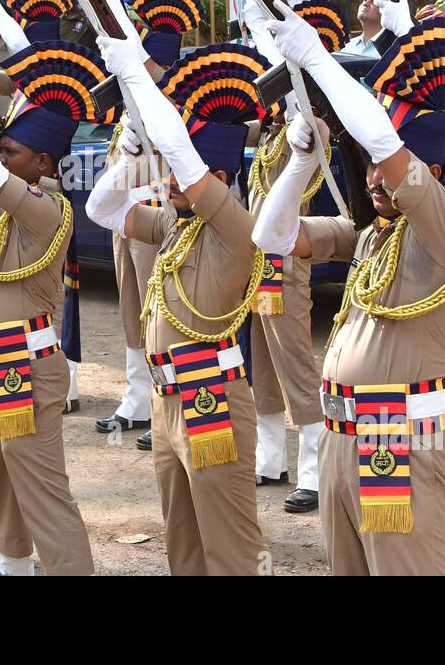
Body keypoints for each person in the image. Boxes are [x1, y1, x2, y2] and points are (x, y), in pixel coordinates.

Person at [255, 6, 445, 575]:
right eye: (369, 169)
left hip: (397, 439)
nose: (375, 179)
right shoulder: (368, 238)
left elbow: (383, 143)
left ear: (426, 170)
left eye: (388, 168)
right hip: (341, 435)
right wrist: (303, 164)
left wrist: (316, 59)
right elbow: (271, 235)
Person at [89, 34, 270, 575]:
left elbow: (186, 160)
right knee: (183, 544)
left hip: (210, 394)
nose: (166, 182)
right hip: (169, 400)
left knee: (229, 544)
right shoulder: (176, 225)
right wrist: (132, 157)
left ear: (214, 180)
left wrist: (138, 78)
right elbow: (101, 209)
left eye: (176, 173)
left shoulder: (236, 228)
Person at [0, 40, 99, 576]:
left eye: (14, 153)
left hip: (26, 370)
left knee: (43, 489)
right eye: (2, 151)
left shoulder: (45, 209)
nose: (3, 160)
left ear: (44, 162)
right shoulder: (12, 213)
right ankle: (13, 568)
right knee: (4, 476)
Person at [241, 0, 349, 514]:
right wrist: (261, 23)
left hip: (284, 263)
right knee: (262, 364)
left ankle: (312, 468)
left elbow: (311, 141)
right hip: (256, 263)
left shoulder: (312, 126)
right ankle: (269, 458)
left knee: (295, 366)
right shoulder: (276, 129)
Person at [93, 0, 203, 449]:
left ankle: (162, 399)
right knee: (130, 308)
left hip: (158, 218)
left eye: (148, 59)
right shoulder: (132, 100)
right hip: (127, 215)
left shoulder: (173, 106)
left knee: (160, 312)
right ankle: (137, 394)